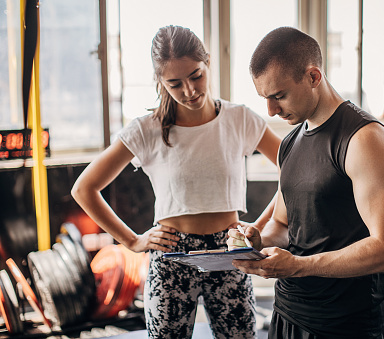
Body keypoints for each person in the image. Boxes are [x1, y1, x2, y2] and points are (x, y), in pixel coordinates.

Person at [71, 25, 281, 339]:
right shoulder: (146, 129)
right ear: (160, 82)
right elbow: (83, 189)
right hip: (171, 255)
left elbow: (294, 172)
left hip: (229, 252)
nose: (190, 90)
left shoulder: (240, 118)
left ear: (207, 62)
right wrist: (132, 241)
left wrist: (260, 228)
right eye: (175, 83)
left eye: (196, 75)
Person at [228, 27, 384, 338]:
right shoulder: (290, 143)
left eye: (279, 96)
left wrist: (299, 265)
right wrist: (258, 242)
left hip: (344, 325)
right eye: (265, 98)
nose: (271, 110)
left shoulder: (365, 139)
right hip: (287, 313)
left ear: (313, 77)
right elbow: (283, 225)